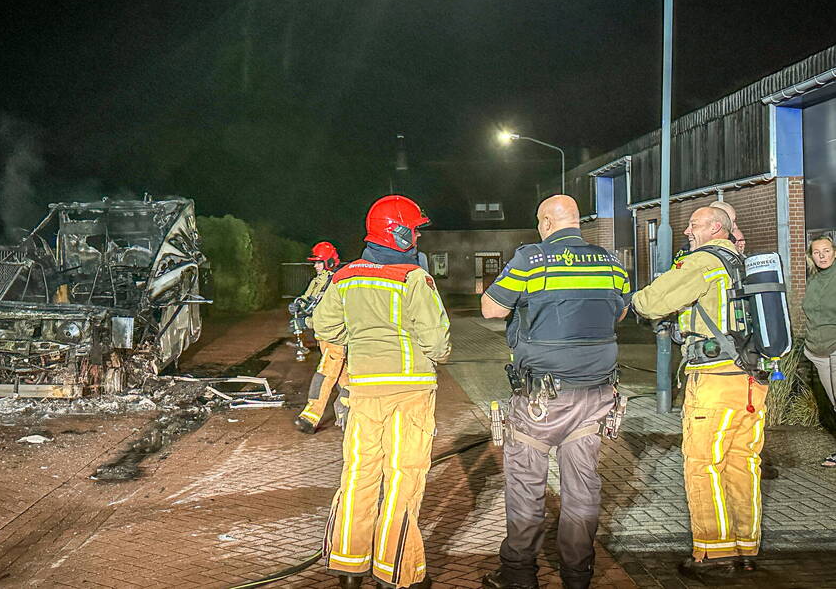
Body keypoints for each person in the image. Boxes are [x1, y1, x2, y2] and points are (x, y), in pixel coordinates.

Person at [479, 195, 630, 589]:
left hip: (540, 400)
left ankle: (519, 574)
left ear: (546, 223)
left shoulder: (530, 259)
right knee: (582, 487)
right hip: (595, 396)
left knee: (526, 485)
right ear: (576, 222)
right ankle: (577, 575)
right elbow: (620, 312)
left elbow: (491, 309)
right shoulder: (611, 262)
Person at [314, 195, 450, 589]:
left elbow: (325, 327)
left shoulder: (344, 277)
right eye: (416, 230)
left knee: (358, 474)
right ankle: (395, 570)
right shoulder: (413, 278)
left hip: (363, 391)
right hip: (410, 391)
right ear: (401, 234)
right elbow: (437, 343)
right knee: (403, 477)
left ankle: (348, 566)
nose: (418, 237)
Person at [631, 206, 765, 582]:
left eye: (694, 225)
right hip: (753, 380)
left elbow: (652, 301)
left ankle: (715, 554)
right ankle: (746, 548)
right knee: (743, 464)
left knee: (703, 464)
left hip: (714, 380)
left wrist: (632, 301)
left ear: (715, 228)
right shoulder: (745, 263)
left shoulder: (704, 262)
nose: (688, 231)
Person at [293, 241, 350, 434]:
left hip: (335, 338)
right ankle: (351, 408)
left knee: (324, 375)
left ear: (329, 263)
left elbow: (327, 316)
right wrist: (299, 306)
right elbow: (309, 300)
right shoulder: (317, 282)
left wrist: (306, 322)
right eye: (315, 262)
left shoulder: (334, 283)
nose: (315, 266)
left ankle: (310, 417)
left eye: (319, 262)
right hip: (324, 337)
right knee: (344, 378)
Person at [804, 235, 836, 466]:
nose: (822, 256)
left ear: (835, 252)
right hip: (817, 351)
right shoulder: (813, 280)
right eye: (817, 252)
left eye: (826, 251)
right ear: (811, 256)